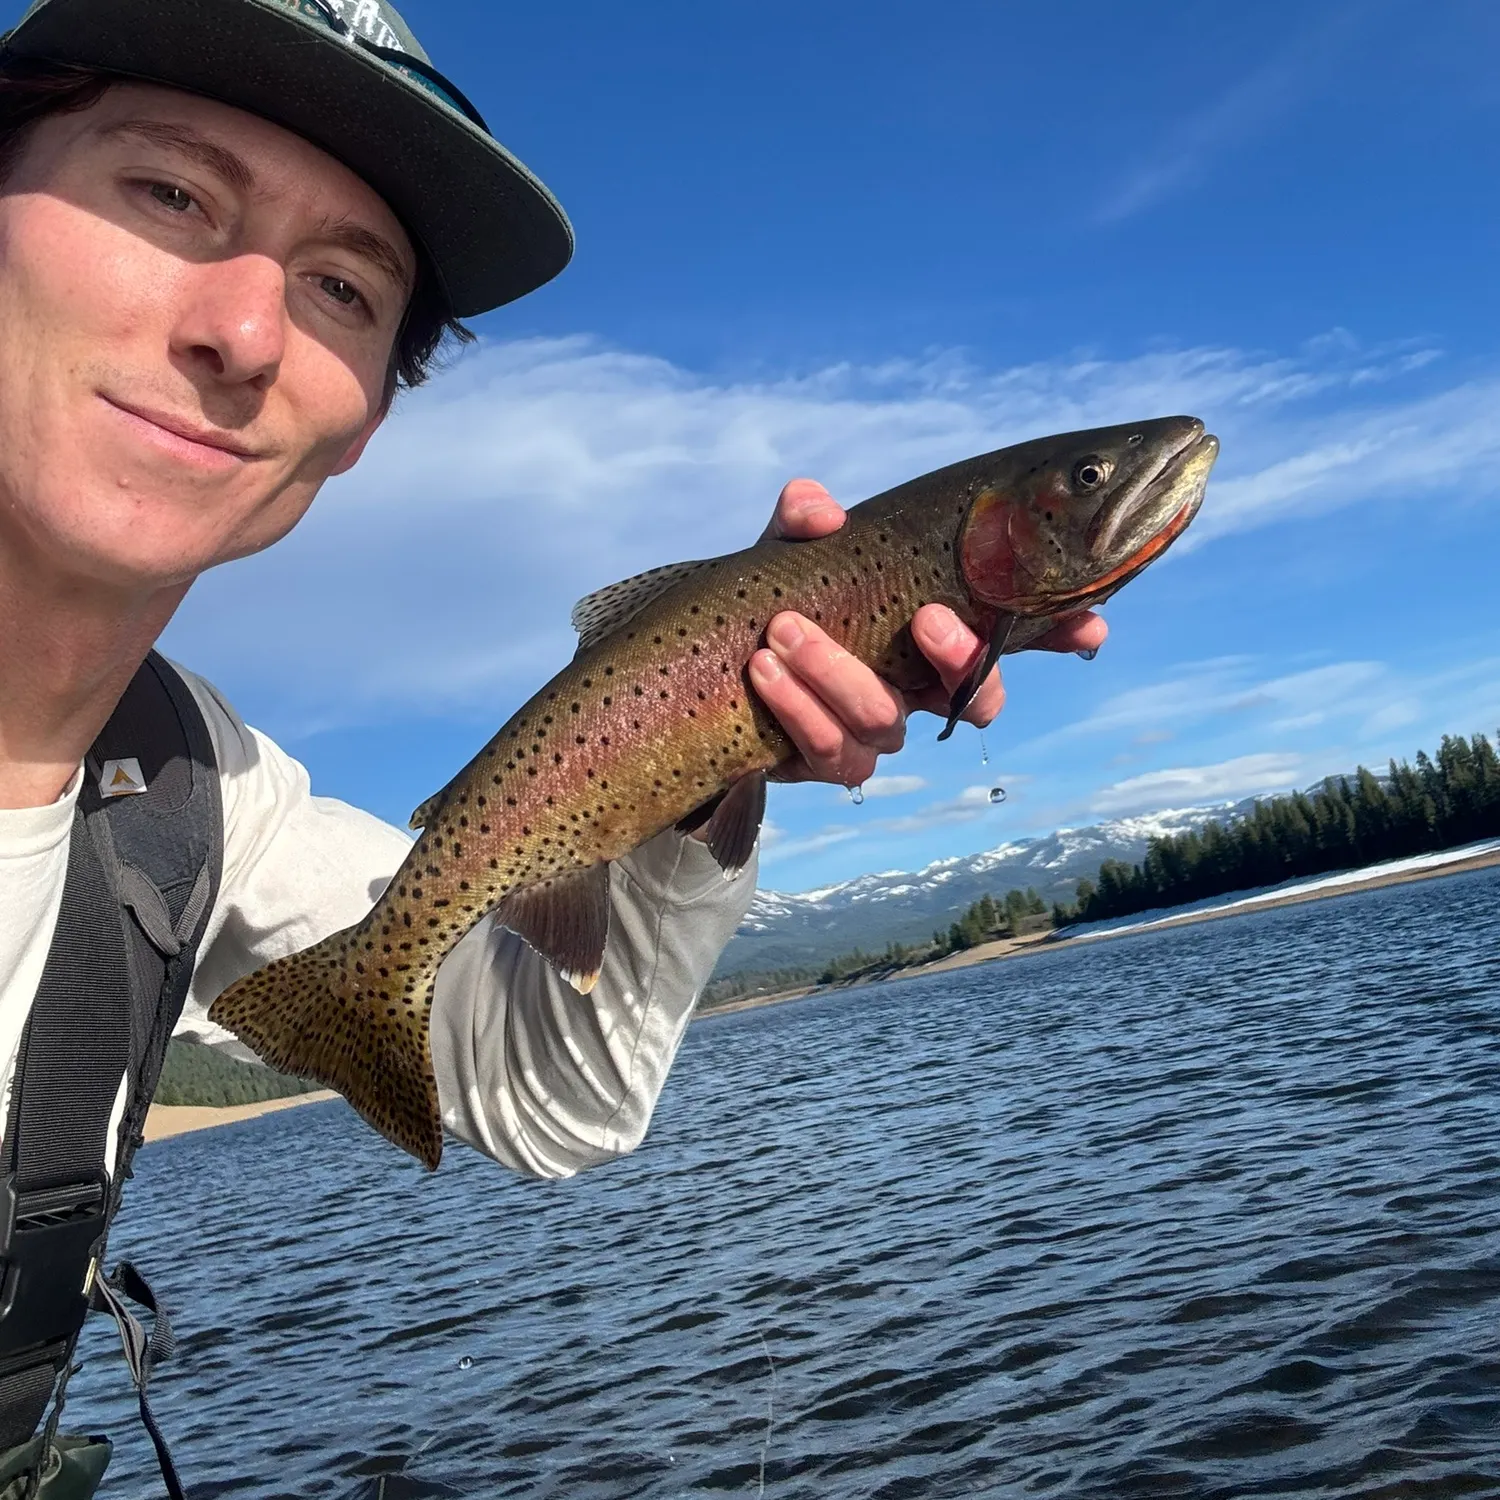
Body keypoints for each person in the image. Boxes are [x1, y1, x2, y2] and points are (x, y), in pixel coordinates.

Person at [0, 0, 1107, 1491]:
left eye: (342, 287)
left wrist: (692, 758)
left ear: (363, 420)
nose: (245, 331)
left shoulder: (200, 797)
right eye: (170, 194)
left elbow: (555, 1096)